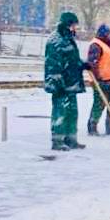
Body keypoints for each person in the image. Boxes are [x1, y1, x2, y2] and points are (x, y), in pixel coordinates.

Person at [43, 10, 87, 152]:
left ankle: (71, 139)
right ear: (67, 25)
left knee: (72, 112)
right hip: (61, 84)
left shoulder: (68, 39)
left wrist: (82, 64)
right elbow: (53, 65)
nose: (76, 29)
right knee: (60, 112)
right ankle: (57, 141)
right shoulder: (55, 40)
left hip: (71, 83)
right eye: (74, 25)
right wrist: (57, 82)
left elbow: (72, 60)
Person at [85, 23, 110, 136]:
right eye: (109, 34)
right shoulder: (96, 45)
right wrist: (97, 78)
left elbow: (108, 62)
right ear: (104, 34)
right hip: (101, 81)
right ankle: (92, 127)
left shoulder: (107, 46)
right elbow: (92, 63)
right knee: (99, 105)